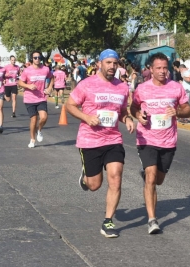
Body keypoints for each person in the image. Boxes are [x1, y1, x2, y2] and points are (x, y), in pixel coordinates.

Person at [66, 49, 134, 238]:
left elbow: (121, 111)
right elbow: (69, 105)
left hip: (113, 139)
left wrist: (127, 119)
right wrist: (86, 117)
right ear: (100, 64)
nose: (112, 66)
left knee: (116, 177)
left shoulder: (122, 87)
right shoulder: (87, 84)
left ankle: (108, 221)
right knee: (95, 185)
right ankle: (86, 177)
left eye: (115, 63)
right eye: (109, 63)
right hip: (90, 140)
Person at [130, 52, 190, 234]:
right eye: (158, 68)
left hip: (168, 140)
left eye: (165, 67)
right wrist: (138, 115)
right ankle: (152, 220)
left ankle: (152, 176)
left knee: (159, 179)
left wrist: (178, 113)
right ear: (151, 69)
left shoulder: (176, 87)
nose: (163, 71)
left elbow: (187, 109)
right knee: (150, 177)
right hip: (146, 138)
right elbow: (133, 107)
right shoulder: (142, 88)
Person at [18, 51, 54, 148]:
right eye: (35, 58)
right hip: (29, 98)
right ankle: (32, 139)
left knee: (44, 117)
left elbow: (51, 77)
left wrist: (50, 88)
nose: (37, 59)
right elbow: (20, 82)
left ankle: (39, 130)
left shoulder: (45, 69)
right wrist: (28, 86)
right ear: (32, 59)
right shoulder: (27, 70)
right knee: (33, 119)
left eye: (39, 57)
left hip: (41, 97)